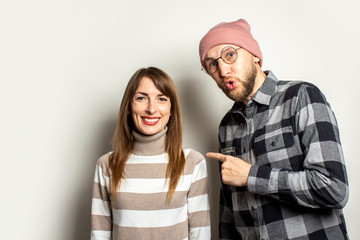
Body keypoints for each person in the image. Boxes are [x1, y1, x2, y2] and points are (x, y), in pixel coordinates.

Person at [199, 19, 349, 239]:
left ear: (255, 56)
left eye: (229, 55)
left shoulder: (301, 97)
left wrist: (251, 175)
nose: (222, 69)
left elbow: (334, 189)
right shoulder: (226, 125)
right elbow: (229, 212)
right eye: (212, 64)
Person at [91, 67, 211, 240]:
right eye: (141, 98)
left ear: (172, 110)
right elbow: (99, 235)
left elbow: (201, 233)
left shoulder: (192, 162)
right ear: (128, 107)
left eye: (161, 99)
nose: (151, 108)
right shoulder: (107, 165)